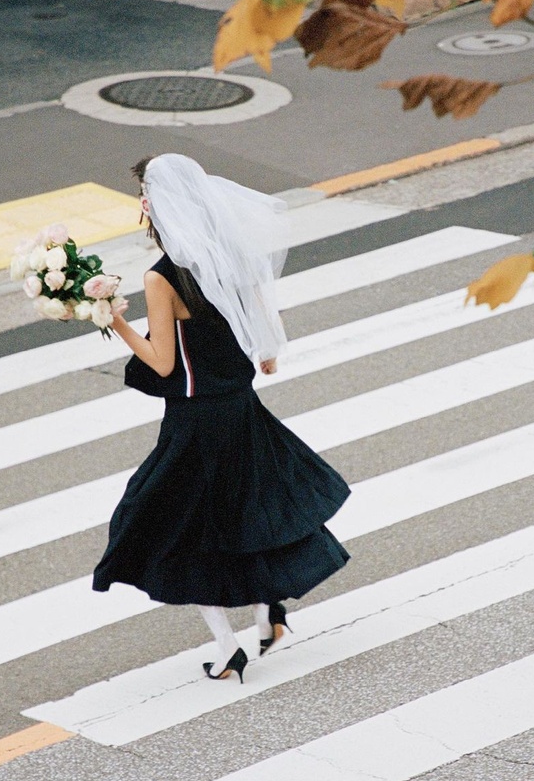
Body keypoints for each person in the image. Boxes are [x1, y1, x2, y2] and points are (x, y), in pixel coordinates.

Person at [92, 153, 350, 683]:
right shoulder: (230, 256)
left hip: (196, 424)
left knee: (167, 527)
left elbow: (163, 362)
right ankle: (267, 616)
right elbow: (263, 340)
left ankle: (228, 645)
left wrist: (114, 320)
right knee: (247, 516)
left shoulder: (162, 277)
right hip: (243, 411)